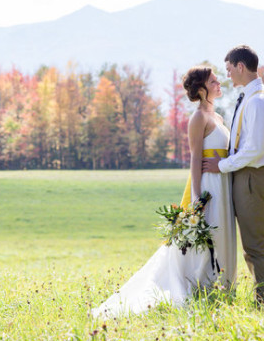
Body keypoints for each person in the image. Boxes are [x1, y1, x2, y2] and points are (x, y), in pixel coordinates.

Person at [91, 66, 236, 318]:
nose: (219, 83)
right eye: (213, 81)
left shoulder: (219, 117)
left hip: (223, 184)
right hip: (208, 187)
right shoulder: (198, 118)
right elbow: (194, 160)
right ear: (201, 89)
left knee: (222, 233)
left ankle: (222, 286)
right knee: (207, 237)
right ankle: (201, 284)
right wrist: (196, 199)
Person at [202, 45, 264, 303]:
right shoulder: (250, 97)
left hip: (251, 177)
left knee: (255, 245)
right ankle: (263, 297)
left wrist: (221, 165)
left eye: (229, 69)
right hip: (244, 176)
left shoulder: (257, 101)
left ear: (241, 67)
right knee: (250, 245)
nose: (228, 75)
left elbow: (254, 150)